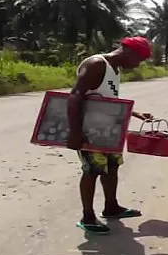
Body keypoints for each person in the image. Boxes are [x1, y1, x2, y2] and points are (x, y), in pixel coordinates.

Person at [66, 37, 153, 235]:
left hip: (109, 130)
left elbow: (106, 99)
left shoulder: (115, 68)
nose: (137, 65)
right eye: (138, 60)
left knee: (112, 167)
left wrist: (134, 113)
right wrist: (75, 131)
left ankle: (111, 206)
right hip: (90, 130)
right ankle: (87, 217)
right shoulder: (97, 64)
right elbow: (75, 95)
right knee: (92, 170)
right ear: (129, 52)